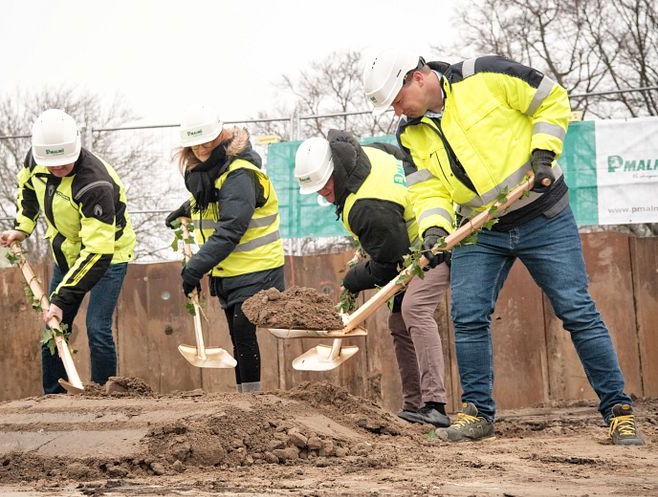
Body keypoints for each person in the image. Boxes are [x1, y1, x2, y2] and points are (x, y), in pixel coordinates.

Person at [362, 49, 644, 445]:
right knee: (467, 315)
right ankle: (478, 413)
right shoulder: (410, 134)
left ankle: (618, 411)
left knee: (576, 308)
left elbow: (550, 97)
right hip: (481, 228)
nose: (396, 112)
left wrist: (543, 152)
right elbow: (428, 191)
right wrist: (433, 231)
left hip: (541, 211)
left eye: (397, 100)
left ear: (418, 78)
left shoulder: (484, 75)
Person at [294, 130, 451, 427]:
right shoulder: (368, 152)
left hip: (436, 240)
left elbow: (390, 264)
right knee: (398, 322)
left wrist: (354, 279)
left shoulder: (366, 207)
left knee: (413, 309)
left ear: (336, 171)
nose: (321, 194)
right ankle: (414, 406)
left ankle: (435, 405)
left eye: (324, 186)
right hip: (410, 243)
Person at [0, 109, 136, 394]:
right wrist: (22, 228)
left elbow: (98, 252)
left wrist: (62, 298)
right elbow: (27, 191)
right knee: (54, 327)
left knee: (97, 327)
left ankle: (105, 394)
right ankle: (53, 395)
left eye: (64, 161)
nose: (58, 167)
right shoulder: (35, 161)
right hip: (66, 254)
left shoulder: (95, 183)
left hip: (107, 258)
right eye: (52, 163)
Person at [166, 105, 285, 393]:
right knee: (236, 332)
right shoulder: (208, 173)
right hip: (230, 271)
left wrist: (194, 268)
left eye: (208, 141)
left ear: (220, 136)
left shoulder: (240, 174)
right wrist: (185, 209)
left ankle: (252, 400)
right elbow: (216, 201)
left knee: (244, 331)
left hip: (258, 268)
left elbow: (232, 226)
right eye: (195, 144)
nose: (202, 148)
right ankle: (246, 397)